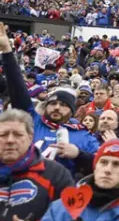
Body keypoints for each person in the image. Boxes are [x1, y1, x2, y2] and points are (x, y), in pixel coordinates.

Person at [0, 24, 100, 175]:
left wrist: (79, 155)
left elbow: (102, 165)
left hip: (62, 192)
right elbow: (17, 87)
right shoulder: (32, 121)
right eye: (52, 103)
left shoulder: (84, 136)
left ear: (72, 111)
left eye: (63, 105)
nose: (57, 107)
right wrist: (7, 50)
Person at [0, 109, 74, 221]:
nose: (10, 140)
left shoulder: (56, 173)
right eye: (3, 135)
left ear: (30, 138)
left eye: (18, 134)